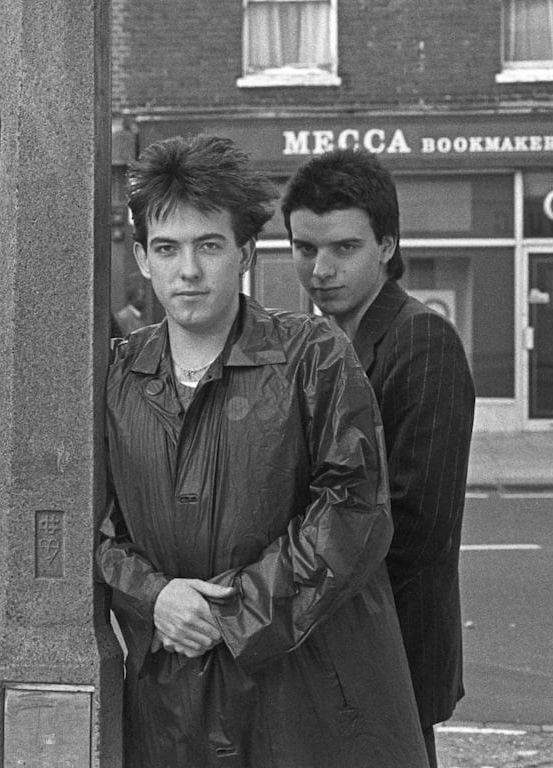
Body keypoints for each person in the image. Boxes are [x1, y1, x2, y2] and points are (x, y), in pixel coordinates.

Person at [96, 133, 429, 767]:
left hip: (305, 688)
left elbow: (354, 511)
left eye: (209, 246)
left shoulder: (313, 356)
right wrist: (153, 596)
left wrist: (232, 613)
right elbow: (94, 525)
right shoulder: (115, 376)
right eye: (167, 248)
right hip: (172, 696)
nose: (187, 270)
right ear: (141, 257)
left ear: (245, 253)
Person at [282, 148, 476, 768]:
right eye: (305, 248)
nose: (320, 269)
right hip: (332, 642)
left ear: (388, 246)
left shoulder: (420, 338)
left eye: (344, 248)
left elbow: (420, 524)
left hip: (390, 647)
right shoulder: (317, 343)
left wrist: (288, 585)